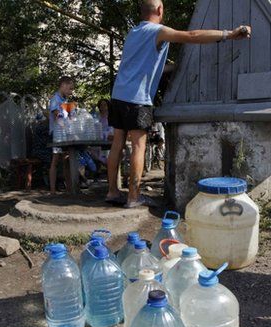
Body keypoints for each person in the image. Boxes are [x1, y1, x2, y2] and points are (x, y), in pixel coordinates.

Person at [106, 0, 251, 208]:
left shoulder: (134, 32)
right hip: (137, 99)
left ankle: (112, 192)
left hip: (118, 95)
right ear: (159, 10)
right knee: (139, 145)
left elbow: (147, 66)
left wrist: (174, 68)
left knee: (117, 143)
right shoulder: (158, 31)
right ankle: (133, 197)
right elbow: (191, 36)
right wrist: (229, 34)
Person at [48, 76, 75, 194]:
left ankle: (70, 188)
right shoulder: (55, 99)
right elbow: (57, 117)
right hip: (57, 134)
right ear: (63, 85)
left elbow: (70, 118)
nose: (71, 92)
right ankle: (53, 190)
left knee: (66, 160)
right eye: (70, 89)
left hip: (65, 134)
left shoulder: (65, 101)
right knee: (55, 160)